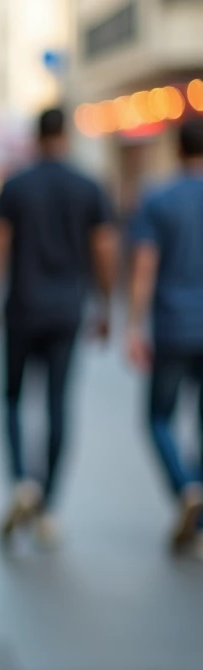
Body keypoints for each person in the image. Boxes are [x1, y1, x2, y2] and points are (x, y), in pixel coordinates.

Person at [0, 108, 118, 547]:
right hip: (66, 311)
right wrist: (106, 304)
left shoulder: (16, 185)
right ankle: (48, 505)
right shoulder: (88, 186)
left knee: (13, 398)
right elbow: (105, 249)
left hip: (21, 308)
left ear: (37, 137)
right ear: (66, 137)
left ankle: (22, 481)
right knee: (58, 402)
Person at [126, 118, 203, 557]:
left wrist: (135, 325)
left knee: (158, 418)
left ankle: (185, 486)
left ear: (177, 150)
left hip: (173, 324)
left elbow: (144, 268)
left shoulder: (158, 199)